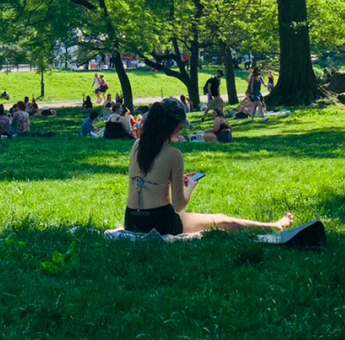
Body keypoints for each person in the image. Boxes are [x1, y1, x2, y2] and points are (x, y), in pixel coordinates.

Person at [125, 99, 293, 237]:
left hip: (132, 220)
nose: (181, 129)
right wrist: (190, 187)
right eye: (180, 126)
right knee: (221, 220)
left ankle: (272, 226)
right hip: (159, 223)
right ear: (173, 126)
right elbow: (178, 205)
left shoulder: (137, 145)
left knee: (215, 221)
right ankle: (274, 227)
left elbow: (150, 180)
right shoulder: (173, 155)